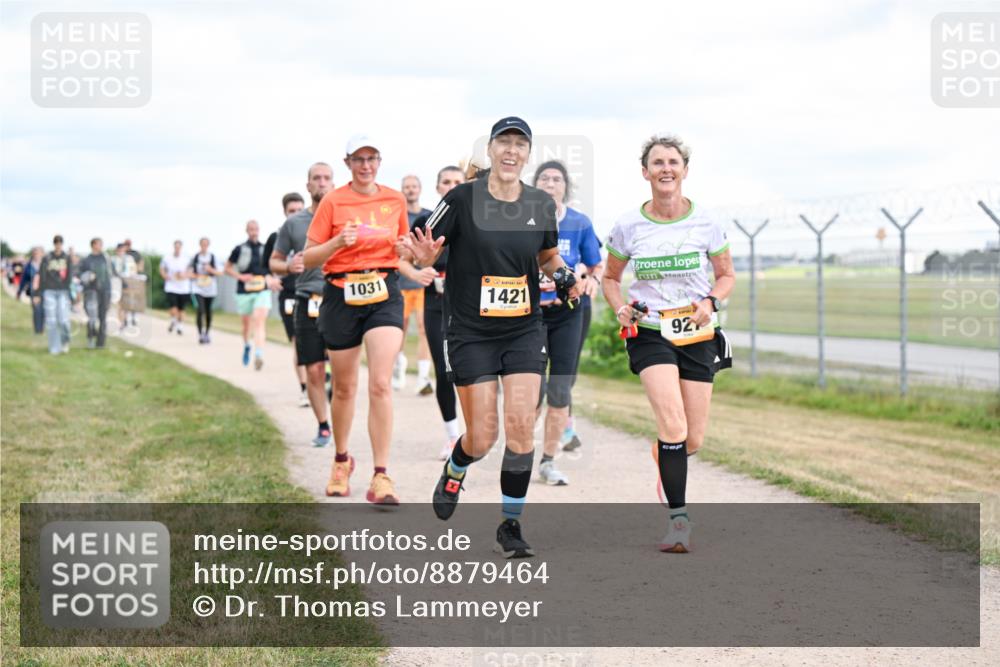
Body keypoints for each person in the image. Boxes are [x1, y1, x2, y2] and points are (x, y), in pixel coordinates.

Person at [407, 117, 582, 558]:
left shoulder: (540, 203)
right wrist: (426, 254)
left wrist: (563, 276)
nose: (511, 151)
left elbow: (546, 255)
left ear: (527, 154)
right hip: (470, 332)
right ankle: (457, 464)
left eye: (519, 144)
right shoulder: (462, 198)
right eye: (503, 142)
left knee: (521, 427)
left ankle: (511, 523)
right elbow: (425, 244)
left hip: (523, 328)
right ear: (489, 150)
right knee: (482, 438)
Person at [602, 134, 735, 553]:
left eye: (673, 162)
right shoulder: (628, 225)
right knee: (673, 425)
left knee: (691, 439)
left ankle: (667, 454)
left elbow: (727, 275)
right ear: (645, 172)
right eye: (657, 162)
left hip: (696, 334)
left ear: (684, 171)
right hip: (651, 332)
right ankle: (679, 522)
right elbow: (609, 279)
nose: (665, 168)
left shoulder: (708, 222)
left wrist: (710, 301)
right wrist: (621, 308)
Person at [303, 134, 408, 505]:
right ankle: (342, 460)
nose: (366, 166)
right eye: (359, 159)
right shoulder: (333, 201)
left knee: (380, 382)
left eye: (372, 158)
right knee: (345, 387)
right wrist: (336, 244)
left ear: (380, 161)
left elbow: (404, 249)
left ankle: (381, 475)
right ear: (347, 163)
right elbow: (309, 257)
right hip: (340, 293)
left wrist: (410, 252)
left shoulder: (394, 199)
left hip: (383, 292)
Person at [531, 160, 604, 485]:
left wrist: (591, 281)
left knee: (560, 387)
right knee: (533, 390)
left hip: (570, 312)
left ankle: (548, 461)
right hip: (531, 315)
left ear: (565, 187)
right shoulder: (522, 220)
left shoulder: (578, 222)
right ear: (534, 185)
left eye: (556, 178)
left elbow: (595, 265)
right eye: (543, 178)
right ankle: (519, 457)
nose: (550, 183)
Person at [271, 162, 335, 448]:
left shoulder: (343, 218)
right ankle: (323, 425)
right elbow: (274, 261)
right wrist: (288, 265)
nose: (321, 183)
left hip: (339, 298)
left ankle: (339, 416)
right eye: (316, 178)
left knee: (342, 369)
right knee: (313, 370)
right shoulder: (293, 223)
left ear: (333, 183)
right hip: (307, 298)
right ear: (308, 185)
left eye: (326, 178)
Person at [408, 166, 466, 459]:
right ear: (437, 187)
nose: (452, 186)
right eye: (447, 182)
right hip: (435, 305)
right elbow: (404, 256)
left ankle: (476, 435)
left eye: (458, 181)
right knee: (444, 371)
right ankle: (453, 436)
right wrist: (420, 267)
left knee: (471, 370)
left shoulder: (472, 219)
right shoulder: (425, 221)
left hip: (468, 306)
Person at [265, 193, 310, 404]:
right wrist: (269, 279)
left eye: (299, 210)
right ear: (284, 212)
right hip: (289, 294)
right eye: (292, 211)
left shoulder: (313, 233)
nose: (296, 214)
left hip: (313, 292)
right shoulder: (276, 237)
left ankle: (323, 378)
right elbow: (266, 265)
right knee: (298, 342)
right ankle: (304, 388)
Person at [394, 174, 434, 394]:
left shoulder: (428, 215)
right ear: (402, 190)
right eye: (406, 187)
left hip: (423, 281)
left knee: (424, 329)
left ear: (420, 189)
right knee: (400, 329)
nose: (410, 190)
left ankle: (423, 377)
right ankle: (398, 369)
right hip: (401, 281)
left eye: (414, 186)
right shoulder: (397, 217)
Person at [226, 220, 271, 370]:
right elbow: (227, 268)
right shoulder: (239, 249)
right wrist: (240, 277)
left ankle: (258, 354)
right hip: (244, 291)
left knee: (259, 321)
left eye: (256, 229)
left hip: (262, 290)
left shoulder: (266, 249)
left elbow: (271, 268)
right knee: (246, 325)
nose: (254, 232)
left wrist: (270, 279)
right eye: (251, 229)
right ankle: (247, 345)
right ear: (247, 231)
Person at [33, 235, 73, 354]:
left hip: (63, 292)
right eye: (56, 243)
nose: (58, 245)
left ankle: (65, 341)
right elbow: (42, 276)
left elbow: (70, 276)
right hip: (49, 291)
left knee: (63, 320)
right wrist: (38, 293)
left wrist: (70, 294)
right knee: (52, 321)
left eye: (60, 243)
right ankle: (54, 348)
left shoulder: (66, 258)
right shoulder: (47, 258)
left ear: (62, 244)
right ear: (54, 244)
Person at [77, 237, 116, 349]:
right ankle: (90, 338)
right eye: (99, 244)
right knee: (91, 317)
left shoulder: (106, 258)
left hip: (105, 291)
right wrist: (88, 275)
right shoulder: (87, 260)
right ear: (93, 245)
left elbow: (113, 273)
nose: (101, 246)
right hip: (91, 292)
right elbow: (79, 274)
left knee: (103, 317)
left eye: (101, 244)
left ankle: (101, 343)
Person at [189, 237, 222, 344]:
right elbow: (189, 272)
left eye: (206, 244)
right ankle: (200, 334)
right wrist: (197, 275)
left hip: (210, 288)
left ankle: (207, 332)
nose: (204, 246)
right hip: (198, 287)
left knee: (208, 311)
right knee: (200, 310)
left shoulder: (213, 257)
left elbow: (220, 272)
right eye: (202, 244)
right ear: (200, 245)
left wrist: (210, 270)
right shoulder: (195, 257)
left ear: (208, 245)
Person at [160, 240, 191, 335]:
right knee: (173, 308)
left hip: (183, 287)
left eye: (179, 247)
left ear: (181, 247)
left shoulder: (186, 258)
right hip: (171, 286)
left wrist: (184, 275)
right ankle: (173, 319)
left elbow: (191, 270)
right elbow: (162, 268)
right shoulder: (167, 257)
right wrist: (165, 276)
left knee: (182, 309)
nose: (177, 249)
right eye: (176, 247)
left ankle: (179, 326)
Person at [19, 246, 45, 334]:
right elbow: (23, 280)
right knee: (36, 310)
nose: (36, 255)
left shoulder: (45, 264)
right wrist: (19, 291)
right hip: (33, 291)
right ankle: (37, 330)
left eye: (38, 253)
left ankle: (41, 328)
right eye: (35, 253)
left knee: (43, 310)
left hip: (44, 290)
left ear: (42, 254)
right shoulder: (29, 265)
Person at [121, 238, 143, 327]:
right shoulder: (122, 253)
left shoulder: (135, 253)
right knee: (126, 298)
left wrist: (136, 271)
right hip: (125, 278)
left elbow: (140, 264)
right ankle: (126, 317)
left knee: (134, 298)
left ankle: (134, 316)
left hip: (134, 278)